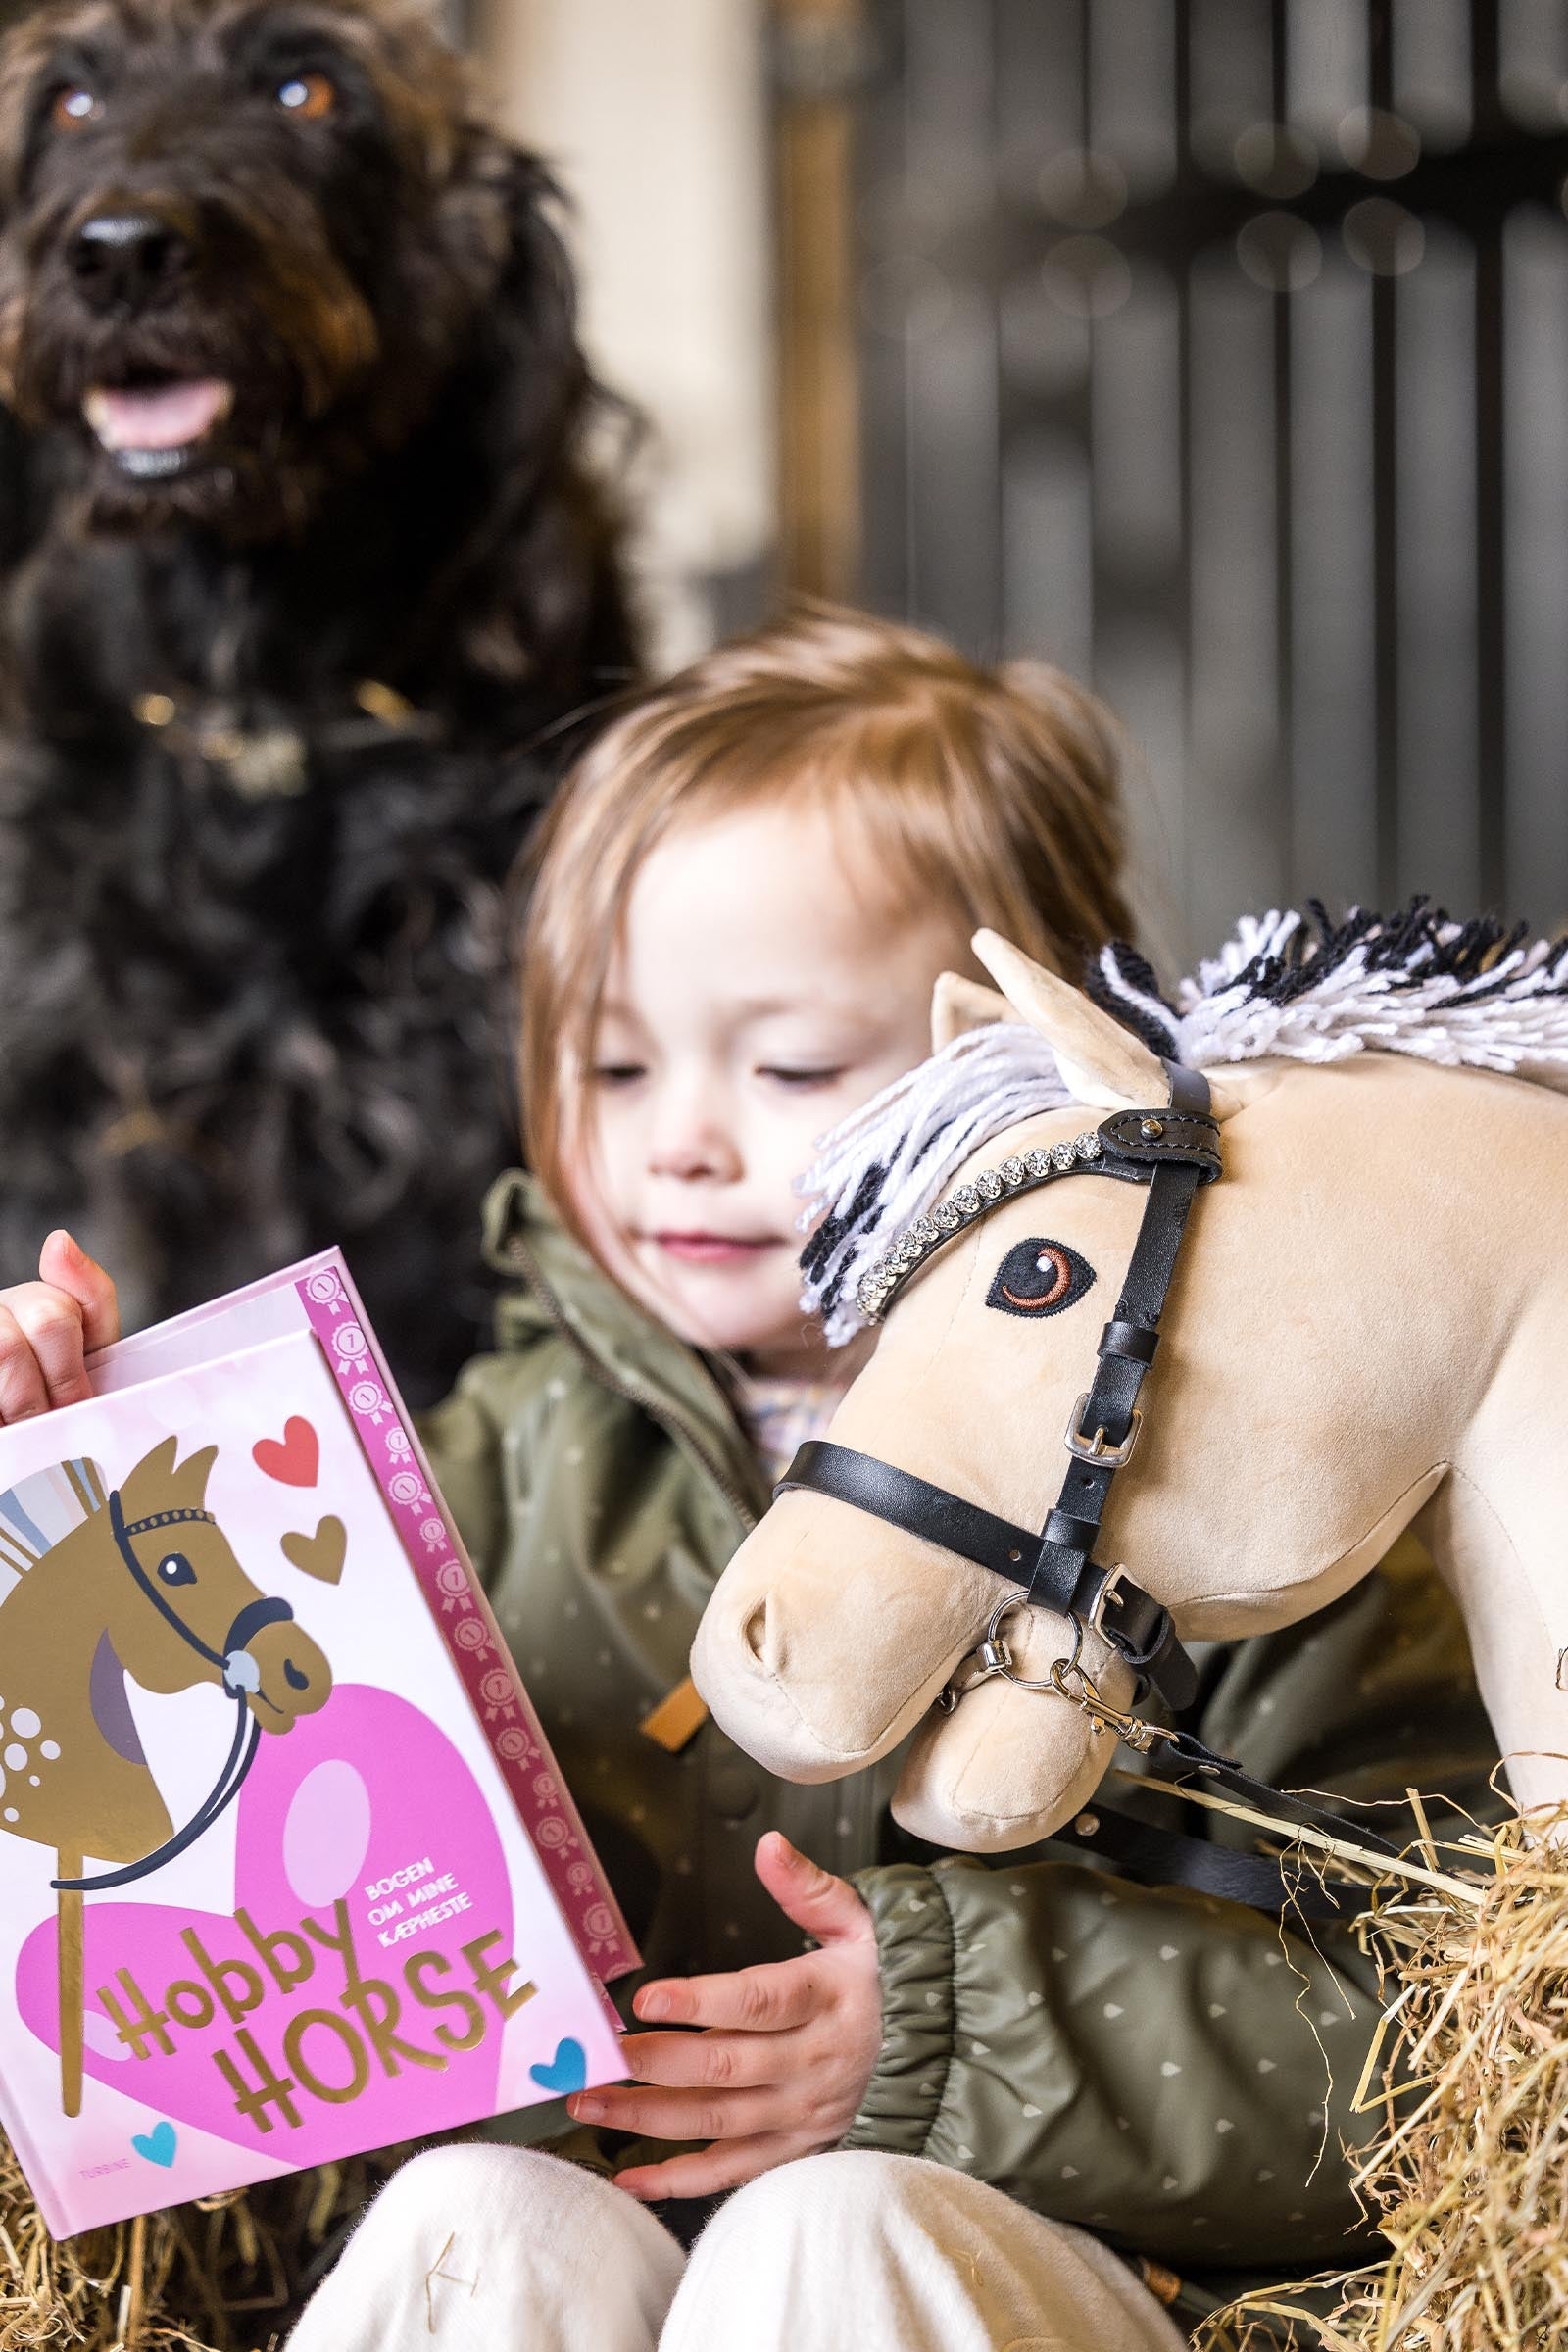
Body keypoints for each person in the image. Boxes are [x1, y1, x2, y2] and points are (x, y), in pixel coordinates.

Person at [0, 609, 1494, 2350]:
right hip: (604, 2265)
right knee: (475, 2218)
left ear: (1033, 1064)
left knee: (827, 2230)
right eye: (613, 1062)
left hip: (1037, 2272)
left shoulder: (1245, 1493)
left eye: (788, 1067)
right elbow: (218, 1934)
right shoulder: (473, 1479)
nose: (678, 1137)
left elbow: (1438, 2056)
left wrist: (942, 2036)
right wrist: (70, 1477)